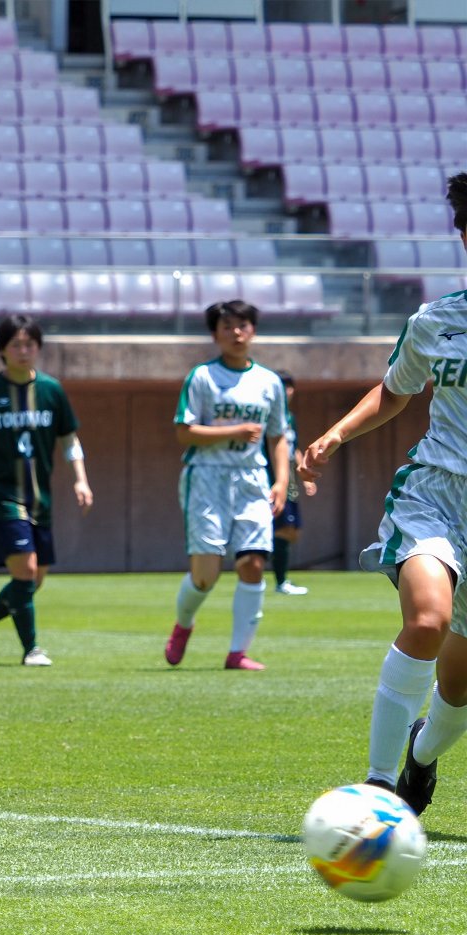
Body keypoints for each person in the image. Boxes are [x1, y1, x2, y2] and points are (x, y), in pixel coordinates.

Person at [300, 172, 467, 815]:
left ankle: (420, 756)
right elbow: (396, 390)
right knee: (427, 620)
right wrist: (336, 435)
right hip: (435, 496)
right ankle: (376, 788)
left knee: (456, 701)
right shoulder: (437, 321)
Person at [0, 315, 92, 667]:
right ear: (2, 351)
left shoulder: (52, 391)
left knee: (34, 580)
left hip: (40, 500)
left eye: (30, 344)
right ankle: (31, 650)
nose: (24, 351)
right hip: (1, 497)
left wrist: (80, 479)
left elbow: (69, 440)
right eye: (16, 345)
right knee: (25, 572)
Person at [166, 300, 288, 671]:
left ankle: (237, 653)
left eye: (243, 325)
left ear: (253, 330)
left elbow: (278, 436)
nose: (236, 333)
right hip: (207, 477)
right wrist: (234, 431)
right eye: (227, 326)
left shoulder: (270, 382)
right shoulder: (202, 377)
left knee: (252, 562)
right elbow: (184, 432)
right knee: (206, 576)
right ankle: (183, 623)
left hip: (252, 478)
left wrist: (282, 481)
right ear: (214, 334)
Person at [271, 372, 318, 595]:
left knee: (293, 531)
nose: (288, 391)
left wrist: (305, 475)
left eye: (290, 387)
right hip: (273, 481)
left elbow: (295, 449)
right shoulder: (267, 416)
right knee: (284, 528)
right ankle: (280, 582)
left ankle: (261, 552)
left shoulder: (290, 418)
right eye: (283, 386)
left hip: (290, 482)